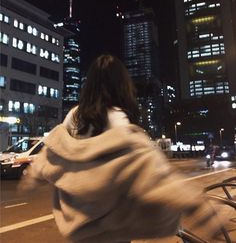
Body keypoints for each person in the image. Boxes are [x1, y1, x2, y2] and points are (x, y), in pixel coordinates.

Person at [19, 55, 228, 243]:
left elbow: (56, 152)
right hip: (110, 228)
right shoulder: (117, 118)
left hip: (78, 227)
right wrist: (197, 206)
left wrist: (33, 176)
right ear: (122, 85)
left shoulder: (74, 116)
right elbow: (149, 170)